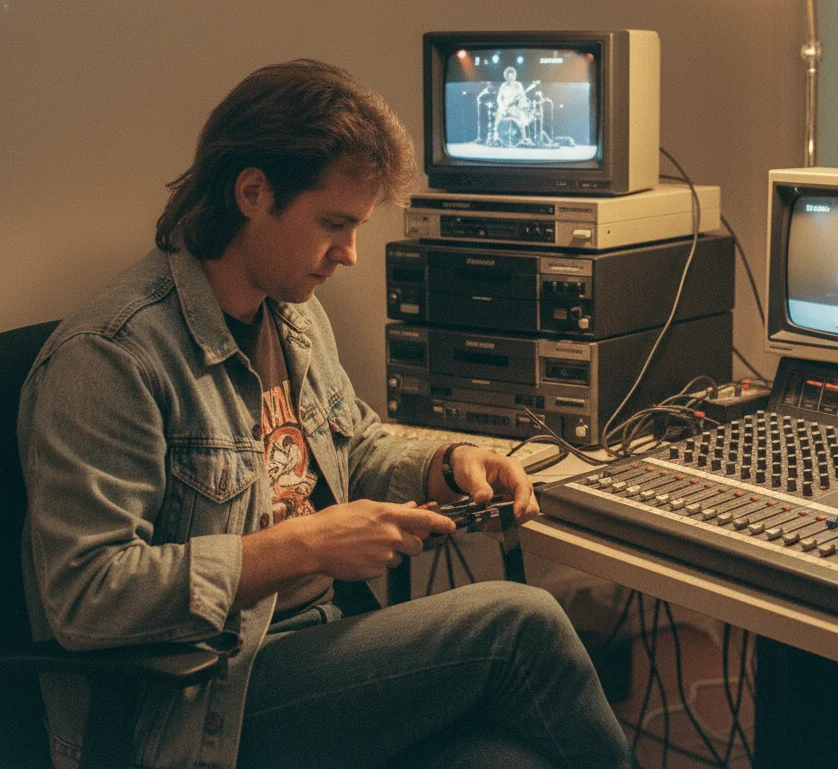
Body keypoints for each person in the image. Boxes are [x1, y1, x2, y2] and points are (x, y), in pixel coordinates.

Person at [18, 59, 632, 769]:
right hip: (203, 697)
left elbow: (355, 447)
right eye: (334, 224)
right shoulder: (111, 358)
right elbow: (86, 597)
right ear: (253, 193)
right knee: (520, 624)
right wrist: (304, 547)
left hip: (322, 644)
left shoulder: (293, 315)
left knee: (501, 761)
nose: (349, 254)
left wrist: (446, 465)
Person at [493, 66, 535, 145]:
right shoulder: (503, 85)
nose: (511, 78)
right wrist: (503, 107)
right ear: (506, 77)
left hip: (514, 107)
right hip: (504, 107)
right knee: (498, 118)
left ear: (514, 76)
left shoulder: (518, 85)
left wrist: (518, 101)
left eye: (512, 76)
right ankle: (496, 139)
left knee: (522, 116)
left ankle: (525, 138)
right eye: (509, 76)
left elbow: (522, 96)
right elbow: (499, 98)